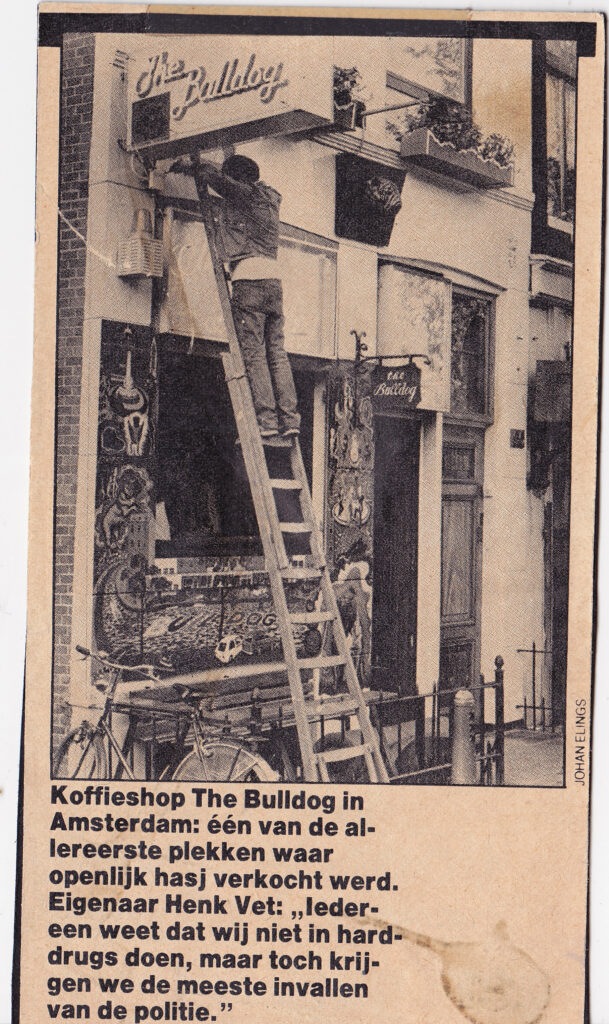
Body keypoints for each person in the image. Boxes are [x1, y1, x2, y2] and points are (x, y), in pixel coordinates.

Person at [170, 152, 301, 440]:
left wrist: (191, 165)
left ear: (238, 178)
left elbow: (214, 178)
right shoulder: (268, 197)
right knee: (277, 353)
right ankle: (289, 419)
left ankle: (266, 421)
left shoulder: (244, 194)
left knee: (253, 355)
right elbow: (227, 178)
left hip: (249, 280)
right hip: (273, 282)